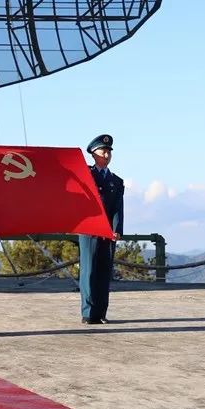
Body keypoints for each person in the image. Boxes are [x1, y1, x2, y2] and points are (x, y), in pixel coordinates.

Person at [79, 134, 125, 324]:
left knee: (104, 272)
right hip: (89, 230)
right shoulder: (86, 176)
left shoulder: (116, 181)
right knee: (89, 271)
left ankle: (101, 312)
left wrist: (117, 229)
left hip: (107, 233)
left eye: (108, 152)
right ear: (93, 153)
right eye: (103, 151)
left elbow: (117, 208)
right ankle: (88, 313)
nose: (106, 155)